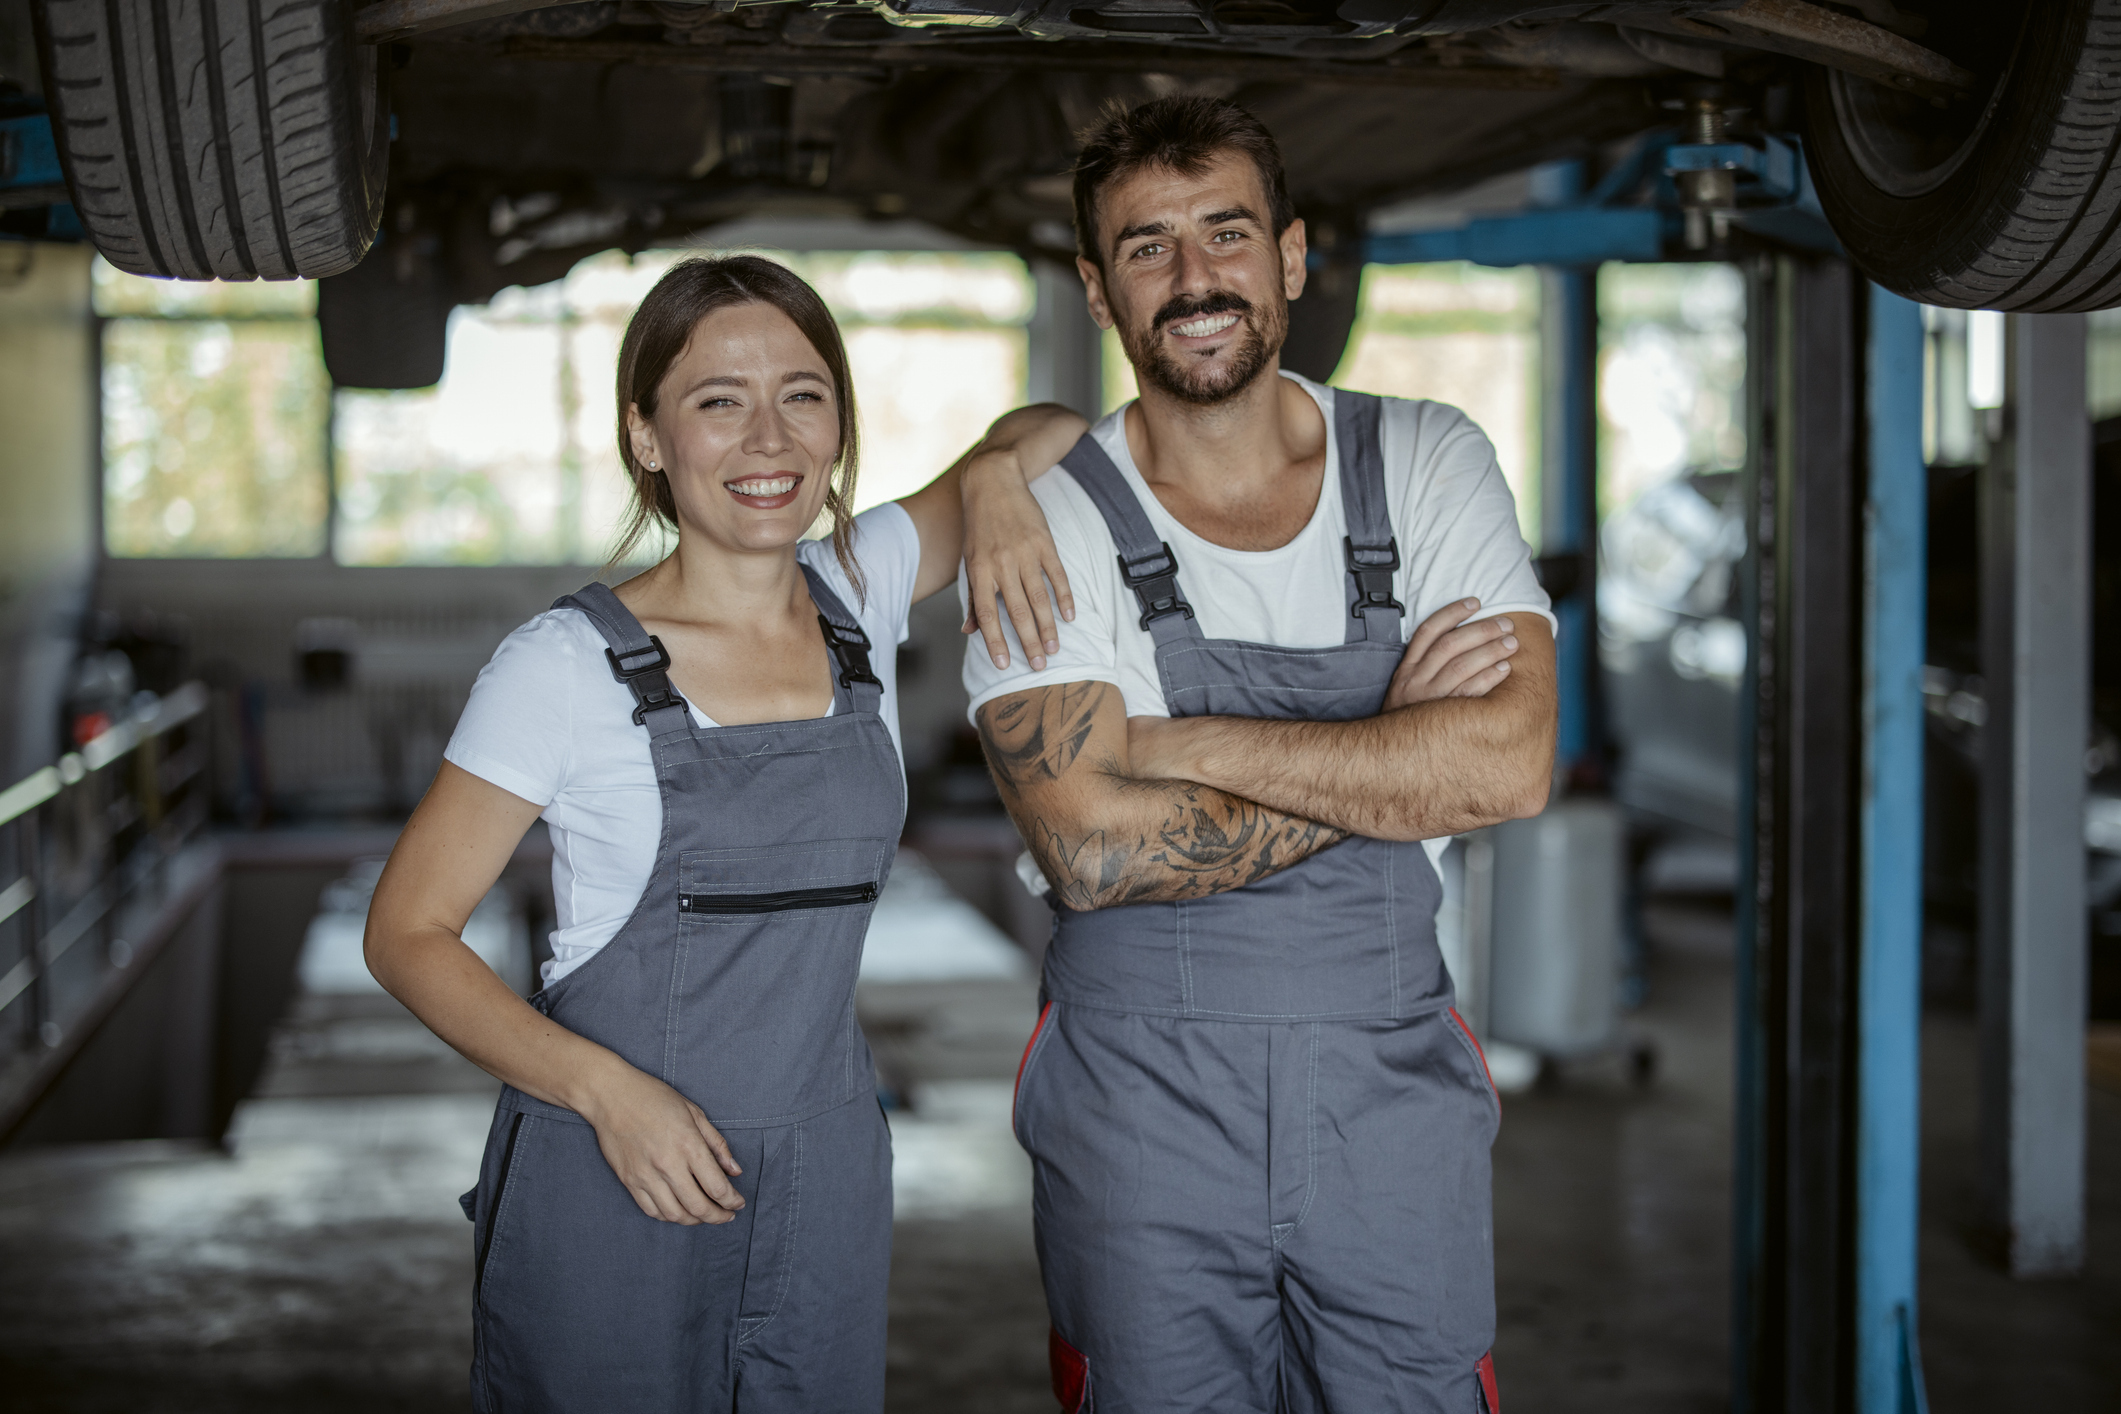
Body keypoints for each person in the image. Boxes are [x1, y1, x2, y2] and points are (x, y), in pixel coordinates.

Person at [364, 254, 1085, 1413]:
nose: (770, 439)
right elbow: (406, 931)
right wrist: (608, 1094)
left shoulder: (864, 584)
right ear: (648, 437)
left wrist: (993, 479)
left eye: (803, 395)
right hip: (615, 1173)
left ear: (840, 425)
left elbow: (1064, 427)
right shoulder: (562, 666)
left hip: (827, 1176)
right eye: (718, 401)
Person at [960, 98, 1558, 1414]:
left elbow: (1505, 766)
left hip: (1387, 1092)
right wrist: (1391, 748)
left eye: (1226, 234)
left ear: (1290, 257)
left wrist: (1178, 744)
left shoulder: (1425, 460)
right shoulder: (1044, 523)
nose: (1194, 279)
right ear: (1097, 288)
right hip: (1138, 1110)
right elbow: (1094, 848)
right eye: (1147, 247)